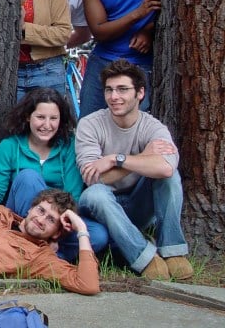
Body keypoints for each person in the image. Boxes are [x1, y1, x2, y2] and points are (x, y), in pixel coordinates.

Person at [75, 59, 192, 281]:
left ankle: (173, 251)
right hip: (103, 208)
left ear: (140, 93)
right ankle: (145, 258)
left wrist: (116, 159)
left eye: (122, 89)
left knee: (169, 178)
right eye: (109, 90)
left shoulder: (153, 127)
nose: (114, 97)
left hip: (139, 204)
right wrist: (142, 158)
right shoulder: (90, 124)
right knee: (96, 194)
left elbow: (165, 169)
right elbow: (94, 179)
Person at [0, 88, 107, 260]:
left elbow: (73, 194)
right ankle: (37, 250)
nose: (47, 125)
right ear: (28, 116)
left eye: (53, 118)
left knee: (98, 235)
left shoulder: (69, 146)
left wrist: (57, 233)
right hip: (25, 218)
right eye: (40, 117)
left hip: (57, 220)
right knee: (28, 177)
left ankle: (42, 254)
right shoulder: (9, 146)